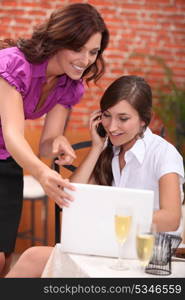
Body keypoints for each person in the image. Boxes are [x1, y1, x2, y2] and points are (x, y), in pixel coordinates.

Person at [5, 75, 185, 278]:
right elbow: (68, 198)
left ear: (144, 119)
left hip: (147, 255)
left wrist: (112, 218)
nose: (112, 126)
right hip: (110, 247)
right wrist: (96, 149)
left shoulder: (164, 154)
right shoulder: (110, 150)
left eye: (123, 119)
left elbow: (171, 218)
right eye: (107, 116)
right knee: (31, 258)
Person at [0, 2, 109, 276]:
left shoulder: (69, 84)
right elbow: (12, 133)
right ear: (59, 40)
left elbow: (47, 143)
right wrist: (42, 173)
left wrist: (59, 142)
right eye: (78, 49)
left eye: (93, 52)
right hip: (11, 150)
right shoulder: (13, 64)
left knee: (2, 260)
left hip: (5, 161)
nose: (85, 60)